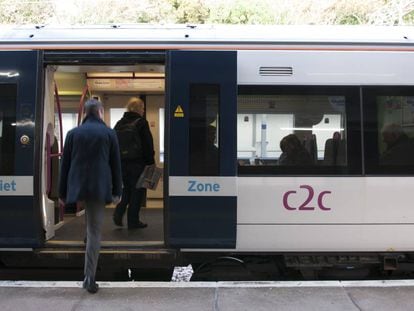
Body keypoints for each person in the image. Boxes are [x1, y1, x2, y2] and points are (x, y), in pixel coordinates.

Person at [59, 99, 122, 294]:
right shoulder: (109, 133)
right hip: (98, 187)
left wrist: (61, 193)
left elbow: (65, 165)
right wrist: (117, 191)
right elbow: (115, 165)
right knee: (95, 230)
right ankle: (89, 277)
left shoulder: (72, 133)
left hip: (77, 186)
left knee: (90, 226)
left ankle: (87, 243)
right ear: (100, 112)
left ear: (85, 113)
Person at [113, 97, 155, 229]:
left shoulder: (120, 123)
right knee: (137, 192)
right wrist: (150, 162)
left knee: (126, 190)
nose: (143, 110)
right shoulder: (142, 123)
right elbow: (147, 144)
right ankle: (133, 221)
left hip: (122, 163)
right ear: (139, 108)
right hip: (138, 163)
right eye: (142, 108)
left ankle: (119, 213)